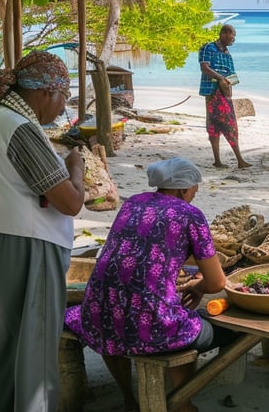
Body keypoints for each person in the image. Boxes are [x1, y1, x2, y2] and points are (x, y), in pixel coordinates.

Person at [64, 157, 234, 412]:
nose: (192, 197)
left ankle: (129, 399)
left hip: (98, 313)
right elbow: (218, 281)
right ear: (184, 190)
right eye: (193, 193)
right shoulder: (190, 215)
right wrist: (200, 287)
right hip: (152, 323)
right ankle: (182, 403)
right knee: (209, 327)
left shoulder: (134, 203)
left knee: (116, 324)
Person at [0, 51, 86, 412]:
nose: (62, 108)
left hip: (3, 237)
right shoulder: (18, 127)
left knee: (5, 341)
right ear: (48, 92)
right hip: (29, 243)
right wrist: (76, 166)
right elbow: (70, 202)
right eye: (64, 98)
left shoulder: (2, 118)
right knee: (35, 344)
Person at [198, 24, 250, 168]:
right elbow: (204, 67)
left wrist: (229, 88)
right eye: (232, 35)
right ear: (224, 33)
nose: (233, 39)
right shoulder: (208, 48)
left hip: (224, 94)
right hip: (212, 92)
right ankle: (235, 160)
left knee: (225, 124)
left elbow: (232, 75)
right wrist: (221, 78)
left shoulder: (227, 54)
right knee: (222, 125)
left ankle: (229, 160)